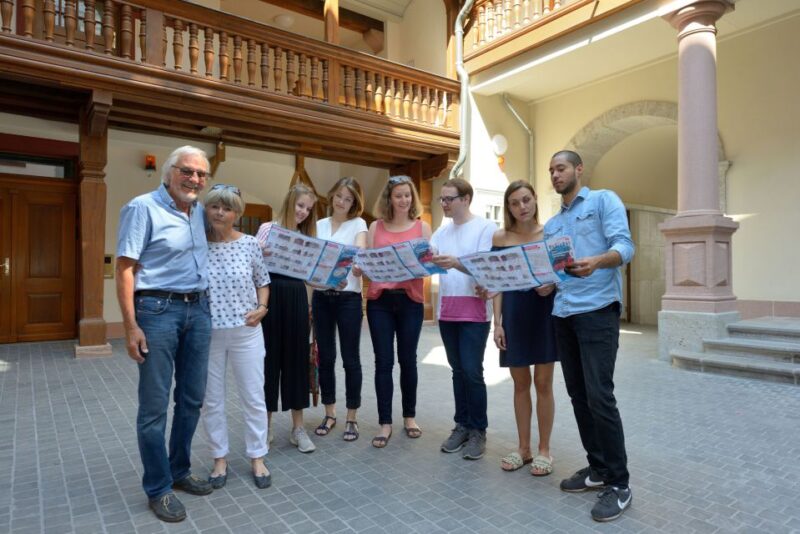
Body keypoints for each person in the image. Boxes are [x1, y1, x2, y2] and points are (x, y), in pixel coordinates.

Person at [116, 146, 214, 523]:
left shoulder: (199, 212)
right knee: (154, 406)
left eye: (202, 175)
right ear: (169, 172)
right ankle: (158, 487)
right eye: (187, 171)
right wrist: (131, 326)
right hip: (157, 312)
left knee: (191, 399)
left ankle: (179, 469)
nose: (195, 180)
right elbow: (125, 269)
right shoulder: (142, 208)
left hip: (199, 309)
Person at [541, 150, 634, 522]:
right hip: (563, 312)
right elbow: (553, 272)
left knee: (599, 395)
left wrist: (596, 261)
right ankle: (597, 469)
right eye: (550, 170)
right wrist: (545, 285)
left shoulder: (603, 200)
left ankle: (620, 484)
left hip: (597, 310)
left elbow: (625, 247)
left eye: (560, 168)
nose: (555, 174)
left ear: (579, 169)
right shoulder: (551, 225)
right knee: (578, 395)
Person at [201, 184, 272, 490]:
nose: (220, 212)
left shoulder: (250, 245)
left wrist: (262, 307)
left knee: (254, 396)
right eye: (215, 206)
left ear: (236, 213)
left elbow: (263, 280)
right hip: (207, 334)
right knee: (211, 399)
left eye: (227, 208)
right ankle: (219, 457)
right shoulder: (197, 244)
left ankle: (257, 456)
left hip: (246, 330)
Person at [490, 181, 558, 476]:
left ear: (535, 200)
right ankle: (524, 448)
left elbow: (563, 270)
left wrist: (553, 283)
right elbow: (496, 282)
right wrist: (497, 324)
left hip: (545, 312)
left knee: (543, 383)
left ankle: (544, 449)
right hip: (514, 315)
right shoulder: (501, 237)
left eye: (526, 200)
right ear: (508, 208)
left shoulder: (550, 233)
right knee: (520, 384)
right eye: (515, 203)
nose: (522, 207)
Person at [359, 175, 431, 448]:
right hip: (380, 301)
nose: (404, 200)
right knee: (383, 362)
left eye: (407, 195)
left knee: (408, 360)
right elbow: (365, 263)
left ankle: (409, 416)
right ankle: (385, 422)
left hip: (410, 300)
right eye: (398, 195)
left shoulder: (422, 228)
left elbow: (427, 266)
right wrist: (360, 267)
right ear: (389, 198)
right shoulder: (375, 227)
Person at [430, 178, 496, 460]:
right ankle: (462, 425)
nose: (444, 204)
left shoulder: (485, 228)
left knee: (472, 370)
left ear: (466, 199)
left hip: (475, 310)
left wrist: (456, 262)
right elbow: (426, 257)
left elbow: (485, 268)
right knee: (457, 371)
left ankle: (478, 430)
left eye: (449, 199)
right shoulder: (441, 232)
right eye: (441, 199)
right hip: (447, 310)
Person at [259, 184, 318, 453]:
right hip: (270, 296)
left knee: (296, 361)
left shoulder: (307, 237)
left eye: (308, 208)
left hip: (296, 296)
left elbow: (312, 275)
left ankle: (298, 428)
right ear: (289, 201)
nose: (303, 212)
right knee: (268, 361)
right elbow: (253, 267)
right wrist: (259, 253)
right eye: (300, 205)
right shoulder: (267, 229)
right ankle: (265, 428)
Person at [312, 177, 368, 442]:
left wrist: (359, 267)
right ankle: (330, 412)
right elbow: (313, 259)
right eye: (339, 196)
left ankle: (352, 417)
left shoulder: (359, 224)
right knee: (325, 356)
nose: (342, 202)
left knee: (351, 358)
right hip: (322, 297)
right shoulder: (319, 224)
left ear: (355, 202)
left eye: (349, 199)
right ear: (331, 195)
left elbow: (361, 253)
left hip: (348, 299)